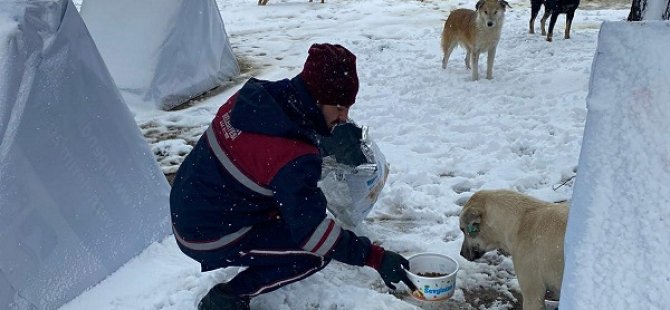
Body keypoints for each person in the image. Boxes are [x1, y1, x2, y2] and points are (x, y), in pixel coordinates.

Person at [169, 43, 415, 310]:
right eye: (340, 107)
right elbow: (314, 236)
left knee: (299, 213)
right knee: (315, 252)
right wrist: (375, 257)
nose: (345, 117)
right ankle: (228, 297)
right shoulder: (293, 156)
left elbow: (263, 157)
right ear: (318, 98)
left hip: (189, 206)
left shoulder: (257, 96)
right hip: (207, 235)